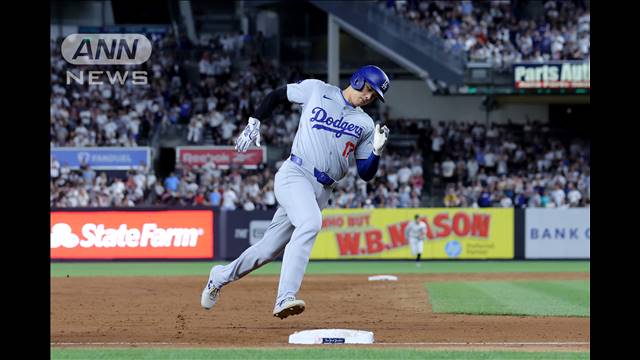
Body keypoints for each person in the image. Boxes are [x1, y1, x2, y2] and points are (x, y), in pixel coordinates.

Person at [201, 65, 391, 319]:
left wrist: (376, 152)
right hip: (296, 173)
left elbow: (365, 173)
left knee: (267, 251)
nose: (369, 97)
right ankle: (285, 297)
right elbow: (277, 95)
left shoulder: (366, 124)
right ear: (357, 80)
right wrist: (255, 121)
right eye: (369, 89)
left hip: (322, 190)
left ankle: (219, 276)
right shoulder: (318, 90)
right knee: (311, 223)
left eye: (375, 96)